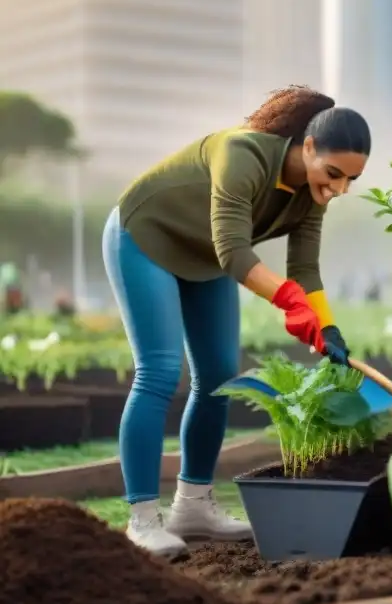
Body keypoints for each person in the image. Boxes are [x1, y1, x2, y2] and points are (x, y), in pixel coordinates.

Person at [101, 85, 370, 557]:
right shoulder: (240, 153)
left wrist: (327, 329)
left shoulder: (312, 196)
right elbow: (233, 250)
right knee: (159, 371)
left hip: (203, 259)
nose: (339, 189)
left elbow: (304, 270)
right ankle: (143, 519)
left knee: (219, 376)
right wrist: (289, 302)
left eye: (351, 180)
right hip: (145, 237)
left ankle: (194, 504)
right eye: (333, 174)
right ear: (308, 147)